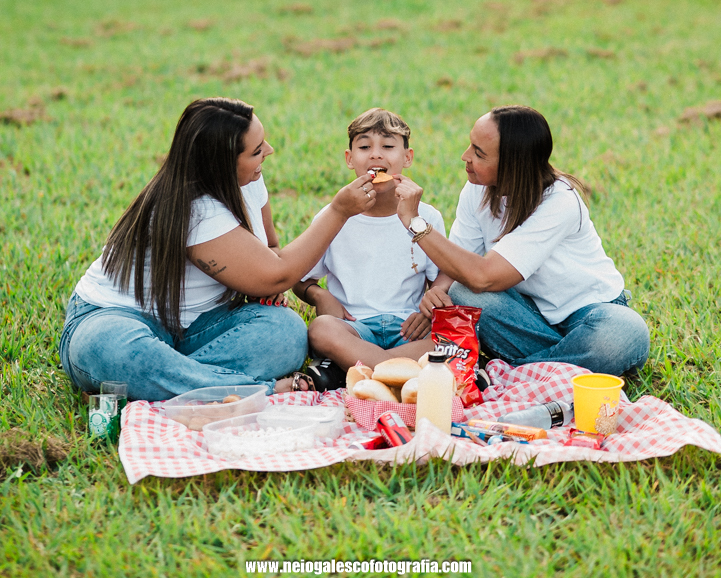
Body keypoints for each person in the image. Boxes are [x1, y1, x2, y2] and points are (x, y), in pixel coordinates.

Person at [60, 97, 377, 401]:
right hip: (117, 319)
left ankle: (166, 381)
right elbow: (278, 274)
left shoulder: (249, 182)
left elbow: (271, 251)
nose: (269, 151)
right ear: (222, 165)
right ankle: (252, 390)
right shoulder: (193, 209)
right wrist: (338, 211)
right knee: (115, 353)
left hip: (201, 327)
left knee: (286, 333)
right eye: (257, 150)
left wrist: (261, 287)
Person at [395, 106, 650, 377]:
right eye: (471, 145)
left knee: (623, 334)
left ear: (512, 165)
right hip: (523, 318)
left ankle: (510, 374)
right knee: (461, 292)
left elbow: (483, 276)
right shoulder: (476, 189)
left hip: (589, 314)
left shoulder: (560, 201)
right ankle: (558, 370)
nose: (465, 156)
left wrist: (416, 222)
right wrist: (438, 294)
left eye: (479, 153)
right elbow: (459, 262)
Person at [293, 108, 448, 385]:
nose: (376, 155)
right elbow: (299, 277)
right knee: (321, 329)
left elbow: (446, 271)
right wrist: (319, 296)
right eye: (365, 147)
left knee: (455, 334)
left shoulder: (426, 216)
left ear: (407, 157)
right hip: (354, 328)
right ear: (349, 158)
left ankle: (353, 368)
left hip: (410, 328)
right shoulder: (334, 216)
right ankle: (401, 372)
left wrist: (432, 304)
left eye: (388, 146)